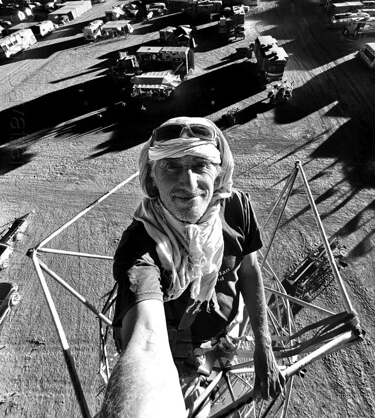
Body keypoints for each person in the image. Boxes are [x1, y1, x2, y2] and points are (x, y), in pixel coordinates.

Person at [99, 116, 285, 417]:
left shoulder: (236, 206)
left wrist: (264, 349)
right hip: (174, 354)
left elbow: (249, 271)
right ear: (151, 180)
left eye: (201, 165)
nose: (188, 182)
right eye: (171, 167)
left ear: (219, 172)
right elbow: (146, 341)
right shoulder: (141, 245)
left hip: (224, 328)